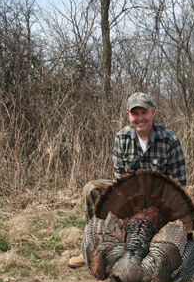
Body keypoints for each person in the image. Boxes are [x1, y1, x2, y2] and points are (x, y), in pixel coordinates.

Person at [68, 92, 186, 268]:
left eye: (144, 112)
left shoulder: (170, 140)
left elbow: (179, 187)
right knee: (91, 189)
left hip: (158, 204)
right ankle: (93, 248)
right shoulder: (121, 138)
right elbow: (120, 182)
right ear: (128, 115)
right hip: (131, 199)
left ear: (153, 112)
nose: (140, 118)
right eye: (135, 113)